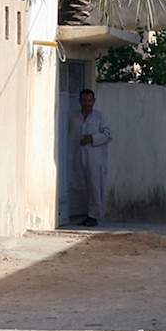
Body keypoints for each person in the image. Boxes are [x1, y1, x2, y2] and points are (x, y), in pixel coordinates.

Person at [68, 88, 113, 227]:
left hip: (95, 158)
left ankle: (93, 215)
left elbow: (108, 135)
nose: (87, 103)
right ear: (80, 101)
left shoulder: (100, 117)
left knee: (95, 186)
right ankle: (79, 213)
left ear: (93, 101)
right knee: (78, 184)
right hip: (77, 156)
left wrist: (92, 138)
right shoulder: (74, 117)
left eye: (89, 101)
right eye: (84, 101)